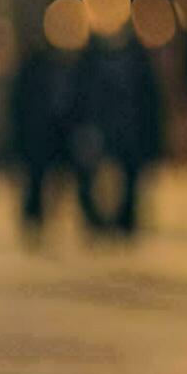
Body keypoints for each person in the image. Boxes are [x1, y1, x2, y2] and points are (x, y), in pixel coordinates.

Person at [72, 25, 161, 235]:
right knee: (90, 177)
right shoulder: (90, 61)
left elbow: (148, 99)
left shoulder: (136, 59)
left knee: (130, 175)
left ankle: (125, 220)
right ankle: (96, 221)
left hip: (128, 126)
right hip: (98, 126)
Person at [10, 41, 79, 243]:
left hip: (46, 137)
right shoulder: (39, 74)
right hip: (37, 137)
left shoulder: (49, 72)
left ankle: (39, 220)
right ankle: (34, 221)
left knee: (44, 181)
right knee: (36, 182)